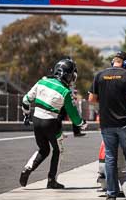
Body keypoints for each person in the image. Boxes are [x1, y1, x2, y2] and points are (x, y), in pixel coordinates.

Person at [19, 58, 87, 189]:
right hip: (51, 123)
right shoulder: (65, 91)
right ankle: (52, 180)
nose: (72, 78)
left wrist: (26, 115)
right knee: (58, 150)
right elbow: (73, 115)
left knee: (43, 149)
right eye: (72, 75)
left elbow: (26, 100)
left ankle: (27, 169)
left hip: (36, 120)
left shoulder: (42, 81)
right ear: (67, 75)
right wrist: (81, 124)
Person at [88, 51, 126, 200]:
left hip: (106, 123)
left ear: (113, 61)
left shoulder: (99, 75)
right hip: (125, 123)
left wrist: (107, 104)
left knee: (110, 158)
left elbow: (91, 99)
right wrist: (123, 107)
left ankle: (111, 193)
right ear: (125, 63)